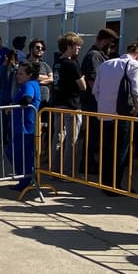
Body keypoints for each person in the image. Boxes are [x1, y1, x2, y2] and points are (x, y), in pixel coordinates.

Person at [92, 42, 138, 193]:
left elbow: (96, 90)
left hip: (104, 113)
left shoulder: (105, 64)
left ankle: (105, 183)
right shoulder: (134, 65)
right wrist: (137, 108)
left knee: (106, 149)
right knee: (120, 150)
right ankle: (114, 185)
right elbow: (137, 90)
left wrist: (102, 105)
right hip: (121, 114)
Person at [50, 31, 86, 174]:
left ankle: (54, 169)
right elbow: (83, 86)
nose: (79, 49)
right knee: (72, 140)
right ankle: (67, 171)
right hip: (72, 106)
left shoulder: (57, 63)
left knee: (58, 138)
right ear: (70, 46)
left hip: (58, 104)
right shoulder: (72, 64)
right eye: (77, 46)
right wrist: (82, 76)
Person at [9, 63, 42, 190]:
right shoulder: (30, 85)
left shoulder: (29, 85)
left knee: (20, 154)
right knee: (18, 153)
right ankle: (25, 179)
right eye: (18, 73)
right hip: (22, 125)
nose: (18, 76)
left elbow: (27, 99)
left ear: (30, 75)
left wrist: (14, 105)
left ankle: (26, 180)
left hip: (25, 126)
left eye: (21, 74)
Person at [79, 28, 118, 113]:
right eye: (111, 45)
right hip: (93, 103)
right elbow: (93, 80)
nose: (112, 49)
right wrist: (102, 99)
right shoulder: (94, 56)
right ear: (104, 41)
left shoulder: (99, 55)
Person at [25, 40, 53, 105]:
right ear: (31, 49)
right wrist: (46, 77)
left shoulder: (45, 65)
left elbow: (51, 79)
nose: (40, 50)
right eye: (37, 47)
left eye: (42, 49)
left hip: (44, 100)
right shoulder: (25, 64)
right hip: (30, 98)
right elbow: (26, 77)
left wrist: (39, 81)